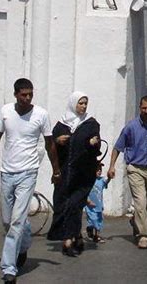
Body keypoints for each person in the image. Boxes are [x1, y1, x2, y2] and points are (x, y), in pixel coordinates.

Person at [0, 78, 60, 283]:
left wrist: (56, 170)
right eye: (23, 94)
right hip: (6, 172)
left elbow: (50, 143)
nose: (27, 98)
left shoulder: (41, 114)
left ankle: (9, 269)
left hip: (28, 172)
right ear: (15, 94)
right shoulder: (6, 112)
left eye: (30, 94)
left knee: (16, 221)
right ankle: (23, 243)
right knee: (7, 219)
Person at [107, 95, 147, 249]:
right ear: (140, 108)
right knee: (140, 202)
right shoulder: (131, 127)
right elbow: (118, 147)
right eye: (144, 108)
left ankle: (136, 219)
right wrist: (111, 166)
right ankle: (143, 235)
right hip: (135, 168)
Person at [47, 91, 101, 257]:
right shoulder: (61, 125)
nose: (83, 106)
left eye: (85, 103)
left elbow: (96, 147)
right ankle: (75, 235)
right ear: (73, 104)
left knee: (74, 203)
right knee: (64, 205)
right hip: (64, 174)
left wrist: (92, 143)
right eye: (80, 103)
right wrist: (58, 141)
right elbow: (51, 146)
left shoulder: (91, 124)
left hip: (84, 174)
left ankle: (68, 241)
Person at [85, 163, 111, 243]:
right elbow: (84, 192)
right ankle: (94, 233)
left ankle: (95, 235)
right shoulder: (88, 181)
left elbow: (106, 182)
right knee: (94, 220)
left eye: (100, 170)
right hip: (90, 206)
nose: (99, 171)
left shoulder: (101, 180)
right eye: (97, 169)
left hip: (99, 205)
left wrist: (109, 177)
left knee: (98, 221)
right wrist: (88, 201)